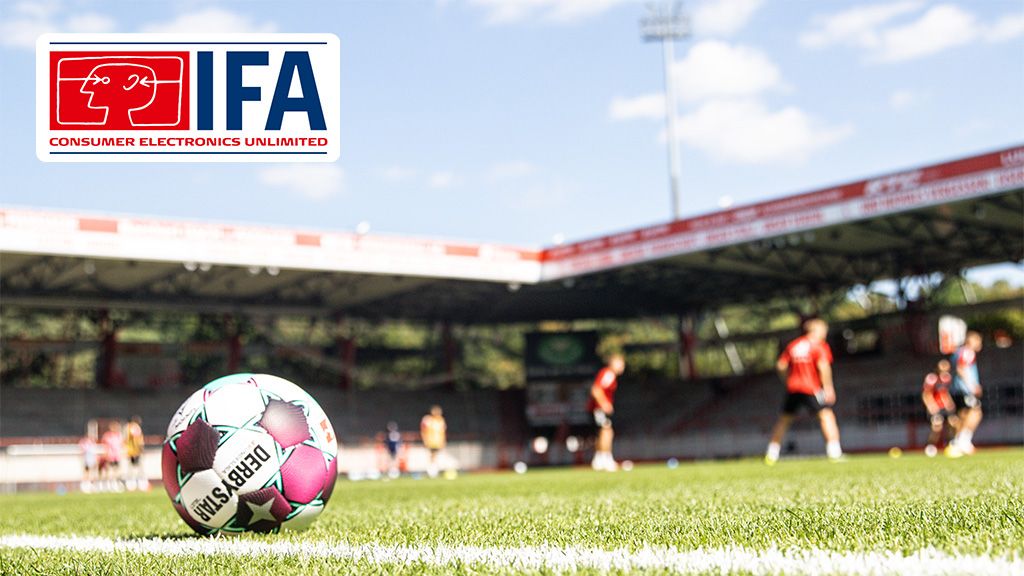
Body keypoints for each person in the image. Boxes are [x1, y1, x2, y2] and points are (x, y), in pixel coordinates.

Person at [765, 319, 843, 464]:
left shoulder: (793, 345)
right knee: (826, 416)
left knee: (784, 420)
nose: (825, 334)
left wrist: (788, 379)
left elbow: (781, 365)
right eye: (824, 331)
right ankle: (834, 452)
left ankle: (771, 454)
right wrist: (828, 387)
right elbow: (823, 366)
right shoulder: (819, 345)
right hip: (811, 388)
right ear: (816, 330)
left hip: (793, 388)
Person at [947, 331, 984, 456]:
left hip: (955, 389)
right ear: (970, 341)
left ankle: (956, 443)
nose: (980, 344)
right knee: (976, 412)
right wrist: (972, 386)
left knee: (962, 415)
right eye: (978, 341)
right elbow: (961, 369)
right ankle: (963, 440)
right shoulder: (967, 352)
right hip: (964, 389)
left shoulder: (957, 352)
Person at [588, 353, 624, 472]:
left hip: (597, 408)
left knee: (602, 432)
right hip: (598, 408)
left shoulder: (608, 374)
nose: (622, 366)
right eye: (620, 363)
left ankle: (598, 460)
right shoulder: (608, 374)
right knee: (607, 431)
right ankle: (606, 459)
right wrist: (604, 403)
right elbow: (596, 389)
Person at [921, 359, 957, 457]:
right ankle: (931, 446)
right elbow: (926, 394)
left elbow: (944, 392)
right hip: (935, 406)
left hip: (944, 406)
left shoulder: (946, 378)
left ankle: (951, 443)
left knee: (953, 422)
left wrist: (949, 402)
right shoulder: (931, 378)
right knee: (937, 426)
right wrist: (931, 405)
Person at [420, 406, 447, 478]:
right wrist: (425, 440)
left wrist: (443, 441)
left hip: (438, 441)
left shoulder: (441, 420)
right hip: (430, 440)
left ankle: (434, 471)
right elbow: (423, 430)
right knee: (431, 456)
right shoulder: (428, 419)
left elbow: (443, 432)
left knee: (435, 456)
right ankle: (431, 471)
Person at [124, 415, 149, 491]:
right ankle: (137, 483)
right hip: (135, 451)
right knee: (137, 468)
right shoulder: (134, 428)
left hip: (131, 450)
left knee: (132, 468)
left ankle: (132, 483)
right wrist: (140, 449)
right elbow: (137, 440)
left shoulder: (128, 427)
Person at [100, 420, 126, 492]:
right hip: (110, 456)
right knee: (110, 471)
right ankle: (109, 484)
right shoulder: (107, 436)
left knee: (117, 471)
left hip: (117, 456)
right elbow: (105, 446)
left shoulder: (119, 436)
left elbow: (122, 445)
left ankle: (116, 484)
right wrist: (105, 454)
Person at [78, 421, 99, 493]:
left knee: (92, 473)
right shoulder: (84, 442)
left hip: (92, 460)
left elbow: (94, 452)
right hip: (87, 459)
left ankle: (91, 485)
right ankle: (85, 485)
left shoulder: (93, 442)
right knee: (86, 473)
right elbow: (82, 451)